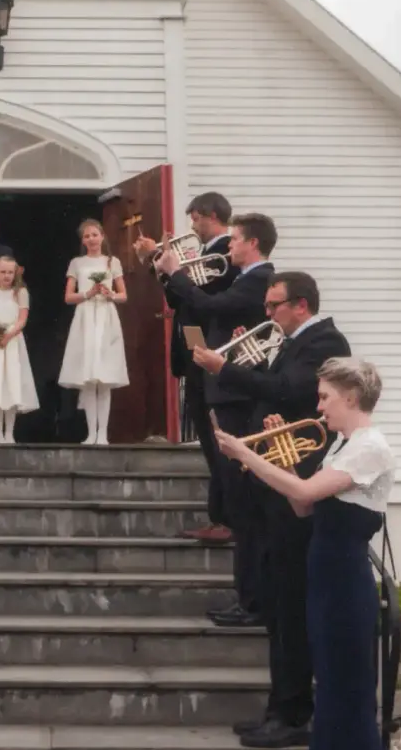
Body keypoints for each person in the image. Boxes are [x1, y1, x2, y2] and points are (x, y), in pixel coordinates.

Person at [214, 358, 396, 750]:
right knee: (332, 715)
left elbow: (309, 493)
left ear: (351, 396)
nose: (318, 407)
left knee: (347, 715)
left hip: (345, 590)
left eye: (324, 398)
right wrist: (276, 451)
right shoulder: (341, 446)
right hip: (324, 582)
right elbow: (300, 504)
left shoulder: (370, 447)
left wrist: (247, 454)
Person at [193, 271, 351, 747]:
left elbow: (287, 389)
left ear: (300, 305)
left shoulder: (324, 341)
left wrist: (225, 368)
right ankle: (279, 707)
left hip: (295, 488)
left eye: (273, 305)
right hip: (273, 485)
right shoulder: (293, 341)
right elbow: (277, 388)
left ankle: (293, 713)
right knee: (278, 605)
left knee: (291, 607)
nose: (267, 313)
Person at [156, 212, 276, 626]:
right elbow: (199, 306)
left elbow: (209, 305)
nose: (230, 245)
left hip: (234, 392)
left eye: (236, 239)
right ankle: (247, 597)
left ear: (252, 243)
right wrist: (171, 275)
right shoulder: (245, 277)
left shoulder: (257, 280)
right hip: (219, 383)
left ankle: (252, 600)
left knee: (243, 502)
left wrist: (176, 272)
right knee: (235, 493)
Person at [134, 191, 234, 536]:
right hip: (193, 341)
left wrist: (165, 258)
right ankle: (218, 516)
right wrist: (161, 268)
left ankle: (225, 518)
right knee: (205, 434)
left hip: (208, 342)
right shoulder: (205, 252)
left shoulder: (224, 251)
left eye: (196, 218)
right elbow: (178, 298)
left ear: (212, 216)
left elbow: (202, 298)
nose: (192, 226)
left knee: (213, 435)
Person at [59, 219, 129, 445]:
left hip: (106, 317)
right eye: (87, 236)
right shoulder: (77, 263)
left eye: (94, 235)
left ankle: (103, 433)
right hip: (86, 317)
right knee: (88, 378)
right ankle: (91, 433)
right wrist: (87, 294)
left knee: (104, 377)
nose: (91, 239)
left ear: (102, 236)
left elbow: (123, 295)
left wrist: (110, 294)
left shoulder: (112, 261)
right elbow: (68, 297)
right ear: (83, 240)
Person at [0, 256, 39, 443]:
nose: (6, 276)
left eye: (10, 272)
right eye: (3, 272)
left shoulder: (20, 293)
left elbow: (22, 319)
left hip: (12, 341)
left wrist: (9, 335)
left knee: (12, 383)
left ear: (15, 273)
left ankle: (10, 433)